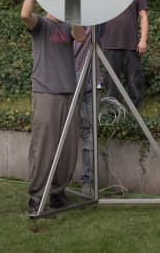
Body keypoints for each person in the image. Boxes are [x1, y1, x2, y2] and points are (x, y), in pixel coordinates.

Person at [21, 0, 86, 215]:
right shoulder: (41, 25)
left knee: (67, 150)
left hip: (68, 92)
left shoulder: (68, 27)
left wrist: (74, 11)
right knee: (43, 148)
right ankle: (36, 198)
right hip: (46, 93)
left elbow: (81, 37)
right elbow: (24, 15)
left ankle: (58, 194)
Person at [100, 0, 148, 109]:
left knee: (134, 82)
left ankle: (134, 113)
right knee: (111, 84)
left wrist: (143, 40)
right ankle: (113, 113)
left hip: (131, 45)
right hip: (109, 45)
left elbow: (143, 17)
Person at [74, 26, 97, 197]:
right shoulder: (63, 25)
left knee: (90, 134)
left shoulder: (95, 25)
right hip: (69, 83)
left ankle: (88, 182)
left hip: (91, 83)